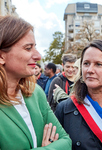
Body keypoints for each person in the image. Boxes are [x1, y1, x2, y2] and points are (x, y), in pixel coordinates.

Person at [0, 15, 71, 149]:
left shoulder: (34, 92)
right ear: (1, 56)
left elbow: (66, 141)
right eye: (28, 48)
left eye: (35, 47)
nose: (38, 56)